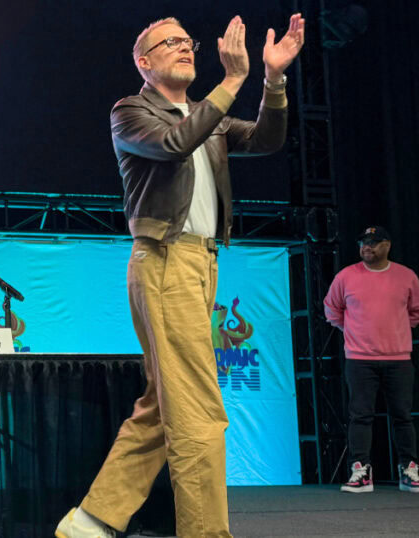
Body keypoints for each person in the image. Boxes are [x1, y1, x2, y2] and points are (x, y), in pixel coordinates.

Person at [56, 13, 305, 538]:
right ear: (143, 63)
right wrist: (233, 81)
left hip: (204, 260)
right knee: (198, 410)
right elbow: (173, 145)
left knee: (162, 403)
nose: (185, 48)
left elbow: (265, 138)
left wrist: (273, 80)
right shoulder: (131, 111)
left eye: (187, 41)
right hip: (166, 257)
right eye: (168, 43)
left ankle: (91, 520)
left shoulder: (202, 112)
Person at [323, 226, 419, 494]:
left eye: (374, 243)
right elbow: (332, 309)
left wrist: (395, 333)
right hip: (359, 359)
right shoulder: (346, 276)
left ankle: (409, 471)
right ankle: (360, 471)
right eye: (363, 243)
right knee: (360, 416)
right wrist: (354, 333)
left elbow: (415, 312)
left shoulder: (406, 276)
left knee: (402, 416)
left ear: (387, 245)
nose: (367, 247)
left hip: (398, 358)